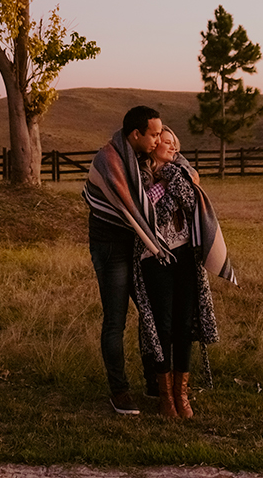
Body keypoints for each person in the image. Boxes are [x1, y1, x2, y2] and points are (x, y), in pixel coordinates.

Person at [133, 124, 237, 419]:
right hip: (154, 257)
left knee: (183, 326)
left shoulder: (181, 173)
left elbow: (192, 203)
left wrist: (173, 179)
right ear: (154, 145)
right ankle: (165, 396)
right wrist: (169, 189)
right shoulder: (140, 177)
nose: (172, 147)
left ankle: (182, 394)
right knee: (162, 327)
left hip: (185, 256)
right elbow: (152, 219)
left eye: (175, 144)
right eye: (166, 142)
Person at [83, 105, 164, 415]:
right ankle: (119, 391)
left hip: (137, 246)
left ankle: (153, 381)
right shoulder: (109, 160)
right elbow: (132, 206)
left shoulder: (140, 158)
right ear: (136, 134)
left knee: (151, 313)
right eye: (154, 134)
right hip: (111, 247)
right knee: (116, 320)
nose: (158, 140)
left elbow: (174, 163)